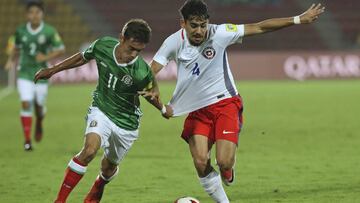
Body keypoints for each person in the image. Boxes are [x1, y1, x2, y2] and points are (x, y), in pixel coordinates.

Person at [151, 0, 325, 202]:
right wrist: (154, 93)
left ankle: (227, 170)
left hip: (225, 103)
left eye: (203, 25)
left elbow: (259, 26)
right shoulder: (173, 42)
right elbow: (150, 71)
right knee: (200, 162)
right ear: (183, 24)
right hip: (197, 109)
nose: (199, 31)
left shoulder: (221, 33)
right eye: (194, 25)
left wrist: (297, 19)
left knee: (224, 162)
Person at [34, 18, 167, 203]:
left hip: (127, 123)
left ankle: (100, 184)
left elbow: (150, 94)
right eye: (131, 48)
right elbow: (82, 57)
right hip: (102, 109)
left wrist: (163, 108)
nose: (134, 54)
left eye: (139, 51)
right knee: (88, 151)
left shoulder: (142, 71)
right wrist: (53, 70)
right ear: (122, 38)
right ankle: (60, 200)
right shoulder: (103, 45)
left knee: (108, 167)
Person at [4, 1, 65, 151]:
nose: (34, 15)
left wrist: (45, 57)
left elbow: (61, 49)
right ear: (27, 15)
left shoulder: (49, 31)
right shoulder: (20, 31)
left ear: (42, 14)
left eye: (37, 12)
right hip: (24, 72)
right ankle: (27, 141)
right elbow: (15, 48)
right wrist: (10, 60)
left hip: (41, 75)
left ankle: (39, 122)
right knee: (26, 103)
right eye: (31, 12)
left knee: (38, 107)